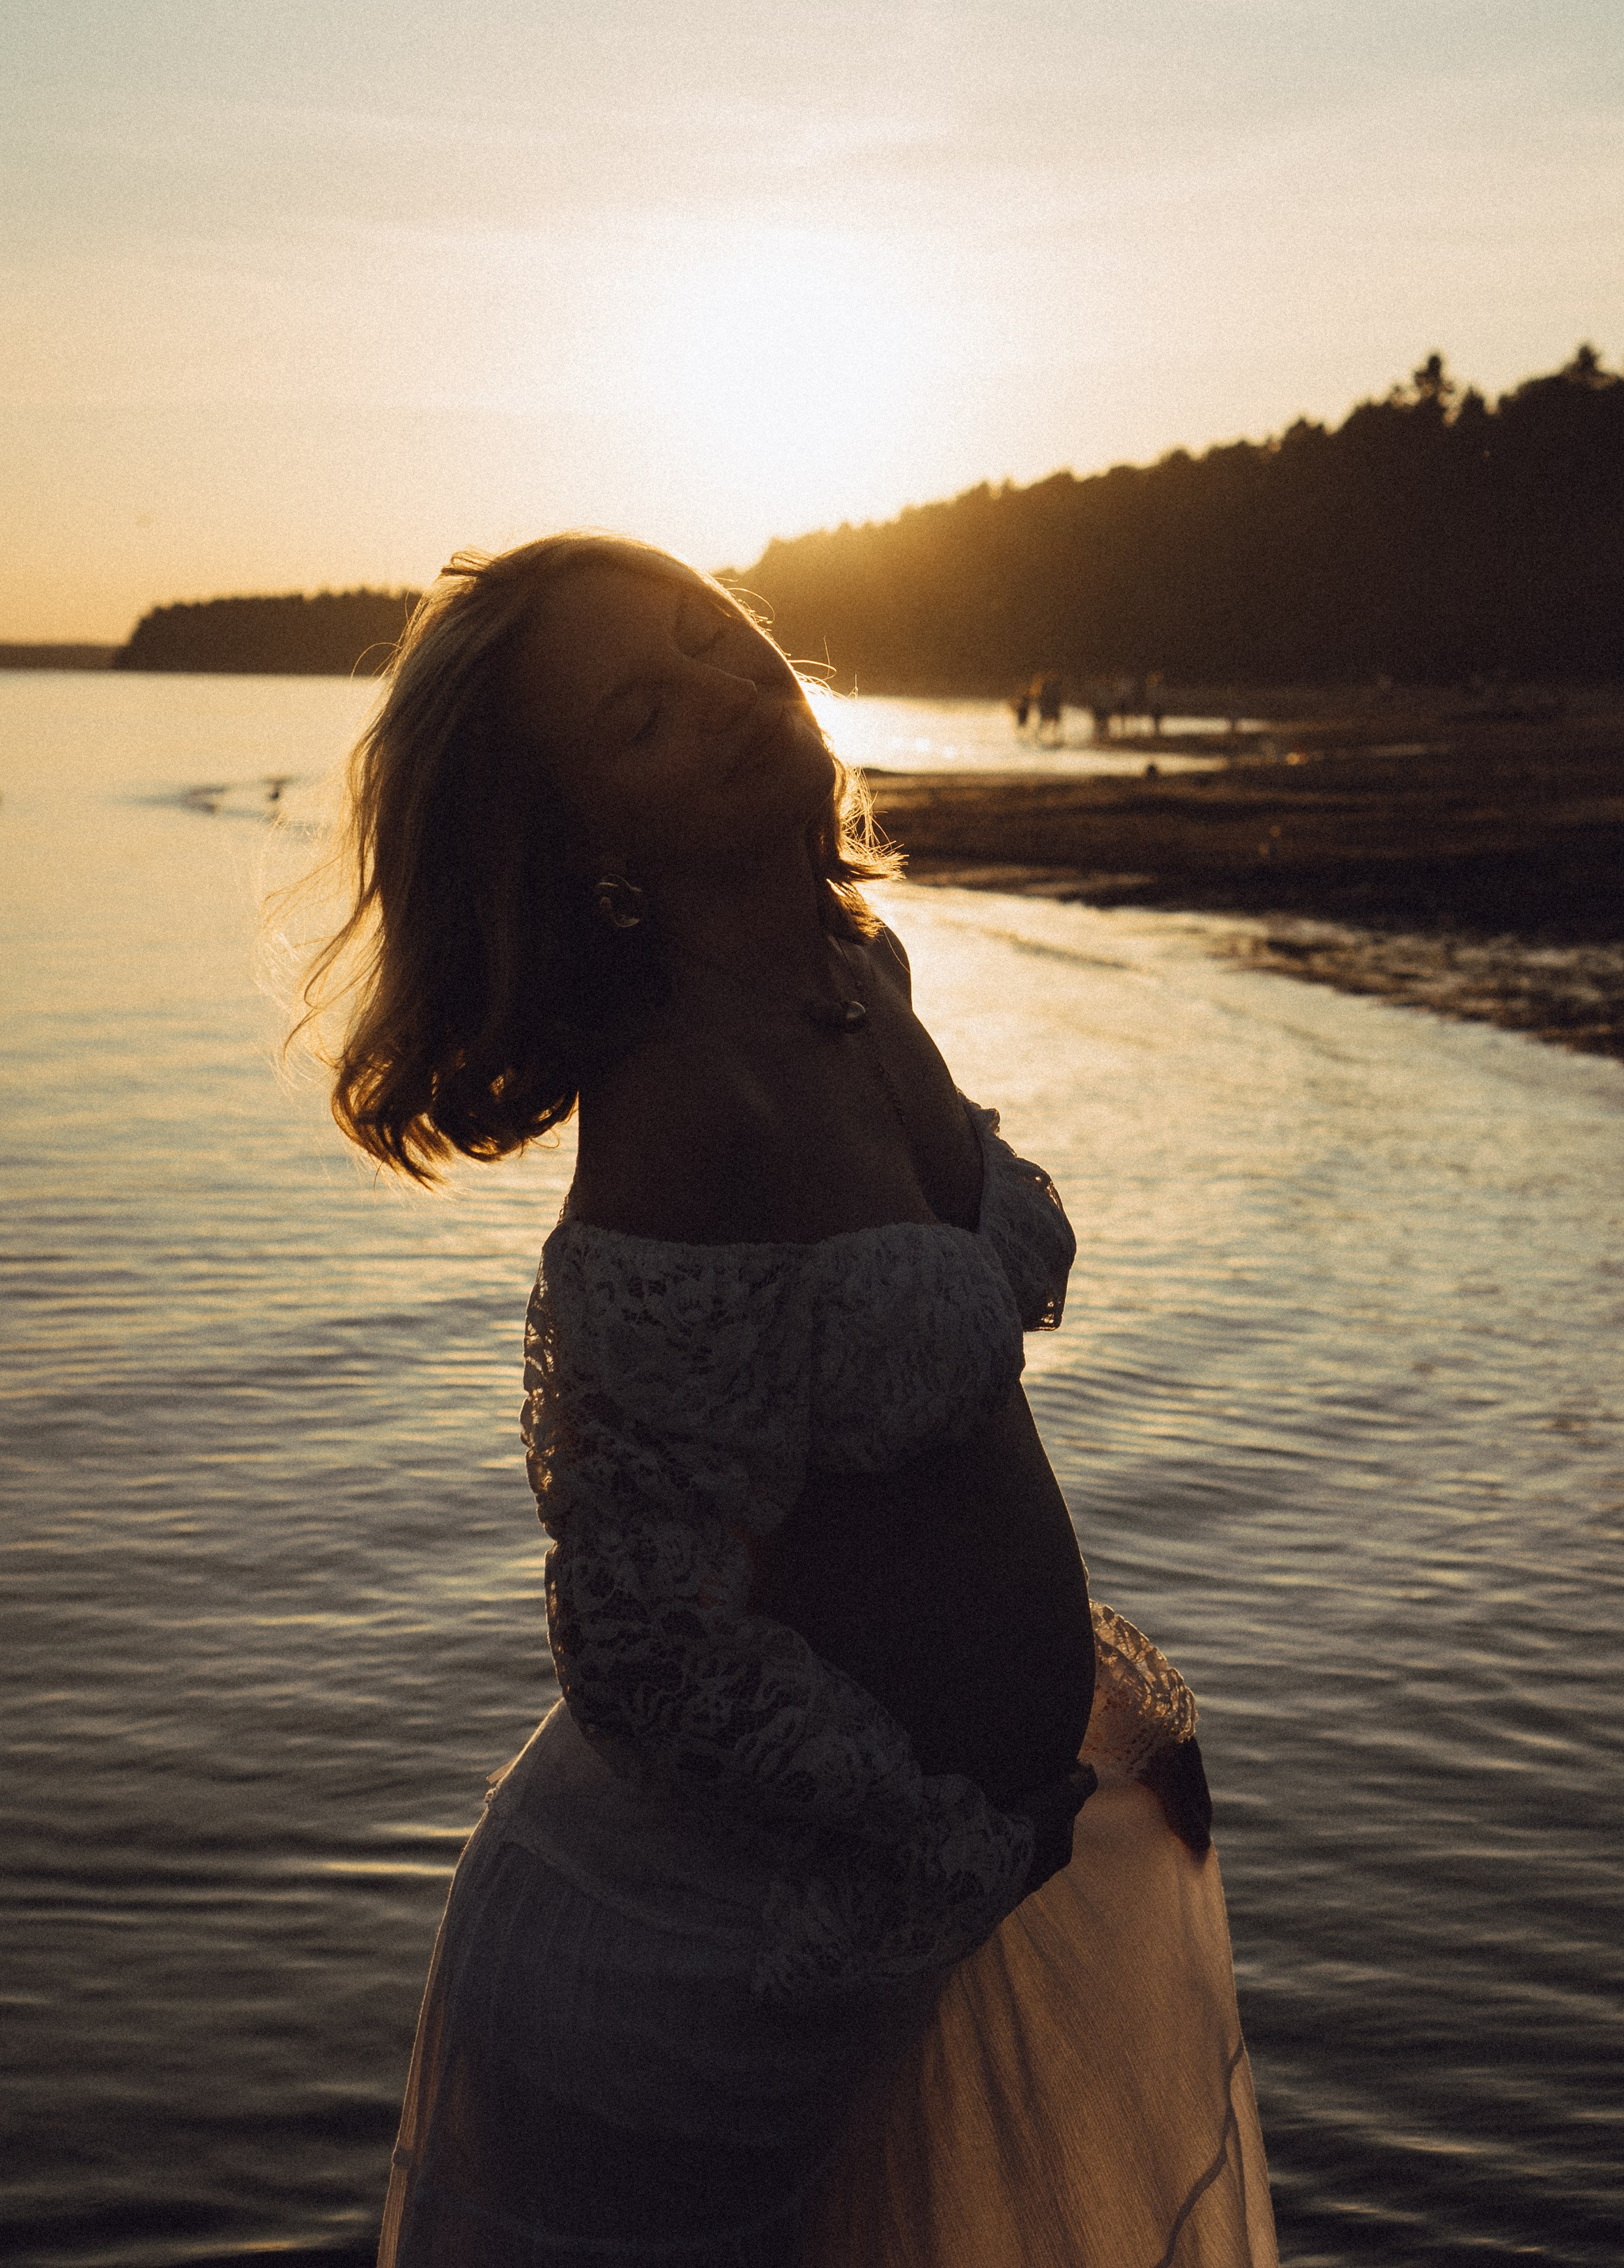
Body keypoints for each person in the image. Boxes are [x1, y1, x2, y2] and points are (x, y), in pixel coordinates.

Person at [298, 532, 1276, 2267]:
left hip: (891, 1892)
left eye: (709, 637)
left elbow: (922, 1479)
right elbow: (638, 1637)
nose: (724, 693)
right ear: (587, 842)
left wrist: (1081, 1735)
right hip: (693, 1973)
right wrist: (956, 1834)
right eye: (641, 715)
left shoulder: (856, 971)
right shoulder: (681, 1108)